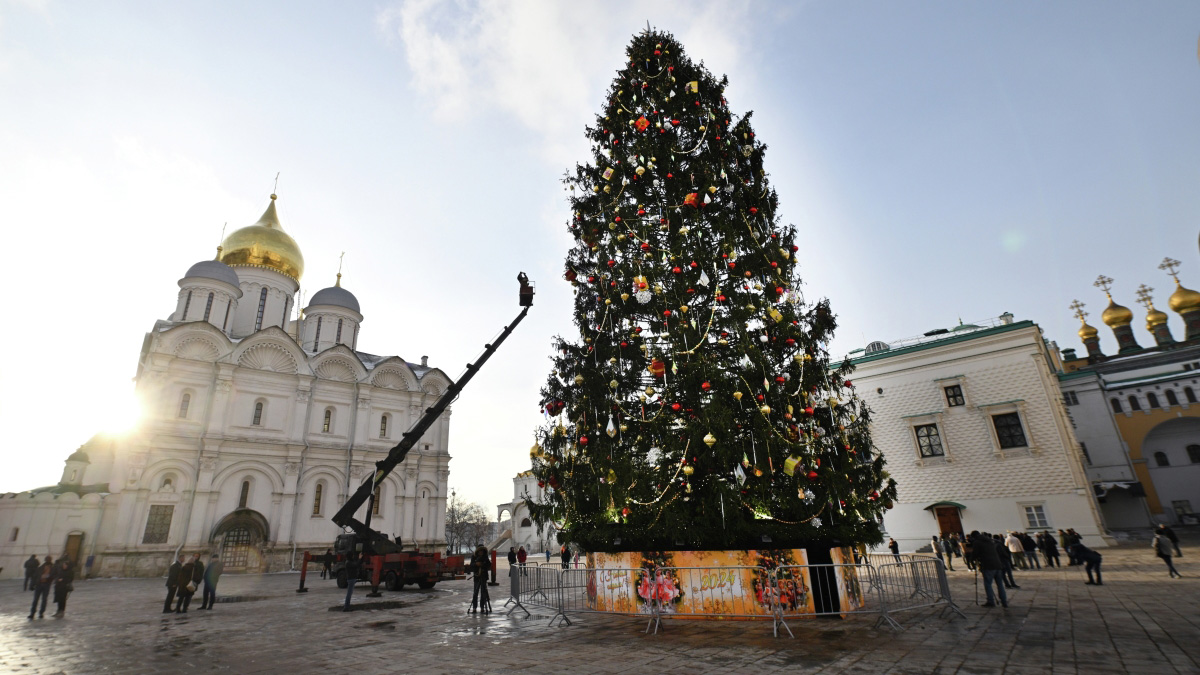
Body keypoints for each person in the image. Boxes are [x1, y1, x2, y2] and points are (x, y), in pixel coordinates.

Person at [971, 532, 1007, 608]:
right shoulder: (990, 541)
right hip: (998, 564)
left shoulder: (977, 542)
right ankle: (1004, 601)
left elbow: (975, 554)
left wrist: (972, 559)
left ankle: (991, 601)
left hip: (988, 565)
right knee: (1000, 584)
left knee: (988, 584)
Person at [468, 545, 492, 614]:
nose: (481, 552)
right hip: (477, 577)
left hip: (483, 577)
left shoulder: (485, 557)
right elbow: (471, 566)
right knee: (475, 592)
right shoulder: (474, 557)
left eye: (482, 551)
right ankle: (474, 607)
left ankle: (482, 607)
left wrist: (483, 564)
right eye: (480, 551)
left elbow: (488, 565)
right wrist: (476, 564)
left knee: (483, 592)